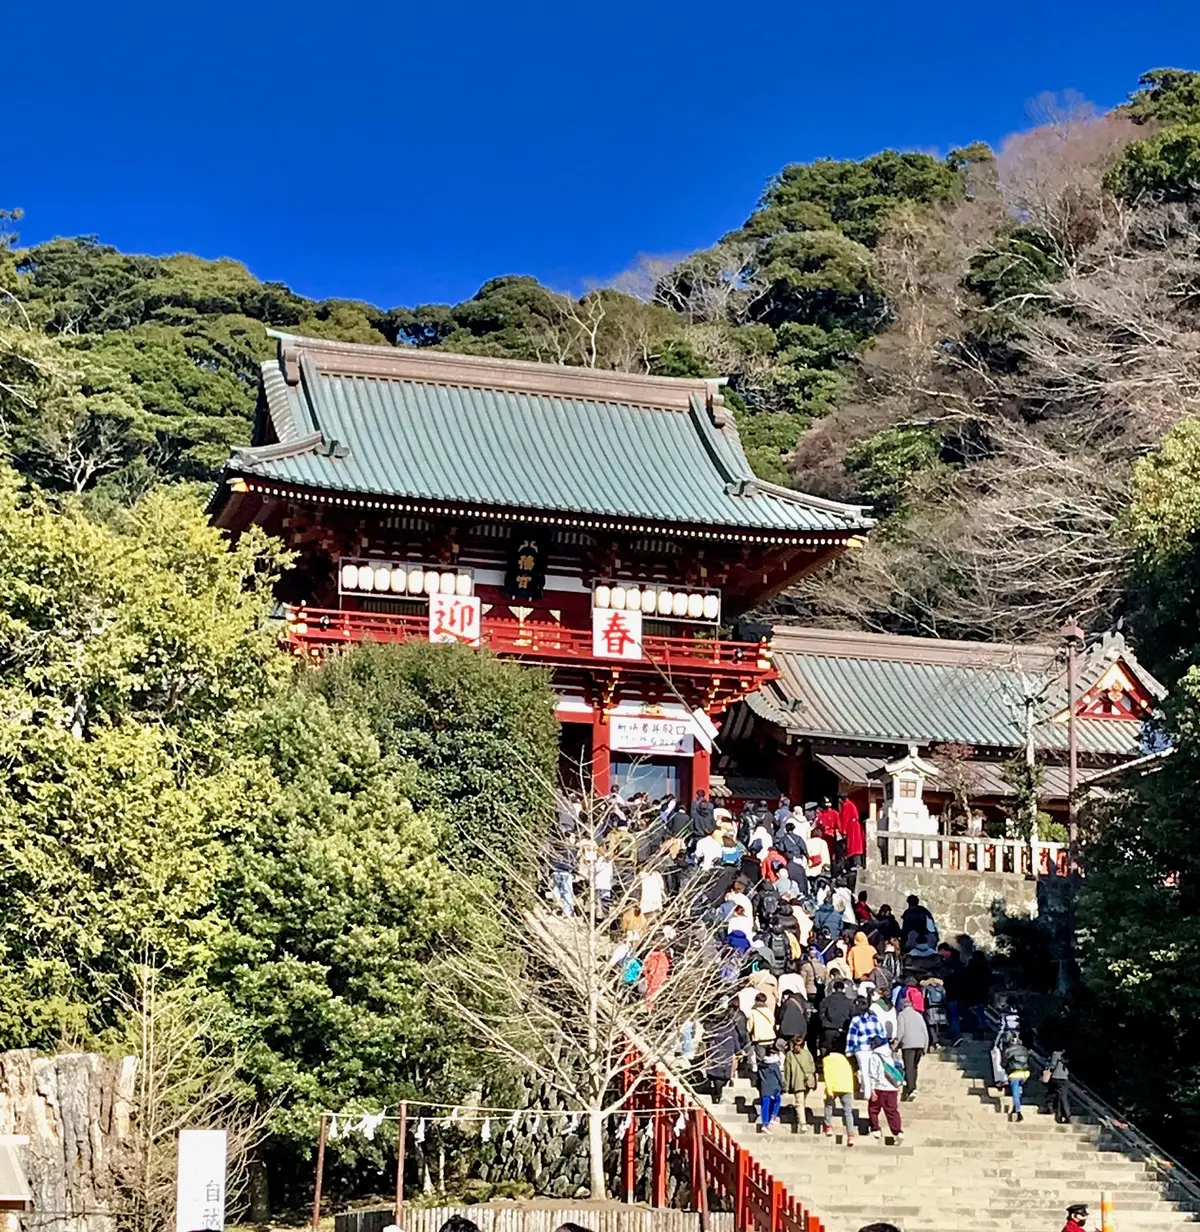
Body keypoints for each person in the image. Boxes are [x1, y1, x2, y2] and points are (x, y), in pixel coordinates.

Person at [846, 998, 889, 1099]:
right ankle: (874, 1091)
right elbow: (881, 1033)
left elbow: (852, 1036)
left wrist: (849, 1050)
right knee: (873, 1070)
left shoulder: (856, 1020)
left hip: (861, 1048)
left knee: (864, 1070)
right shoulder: (874, 1018)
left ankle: (867, 1093)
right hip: (874, 1048)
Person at [864, 1043, 903, 1143]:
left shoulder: (874, 1056)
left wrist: (872, 1089)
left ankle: (875, 1129)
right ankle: (898, 1132)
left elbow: (873, 1074)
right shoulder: (892, 1054)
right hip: (893, 1087)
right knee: (892, 1110)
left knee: (873, 1108)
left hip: (879, 1087)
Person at [895, 994, 929, 1101]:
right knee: (914, 1067)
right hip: (920, 1044)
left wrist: (895, 1045)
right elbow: (925, 1031)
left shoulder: (902, 1015)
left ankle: (910, 1088)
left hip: (908, 1044)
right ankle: (913, 1086)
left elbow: (901, 1031)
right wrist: (925, 1047)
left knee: (908, 1067)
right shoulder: (918, 1015)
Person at [821, 1049, 856, 1145]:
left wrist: (829, 1089)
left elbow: (827, 1074)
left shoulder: (827, 1060)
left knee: (829, 1105)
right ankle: (851, 1135)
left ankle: (828, 1127)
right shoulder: (845, 1060)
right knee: (848, 1112)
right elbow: (849, 1074)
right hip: (847, 1087)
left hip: (834, 1086)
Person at [756, 1037, 786, 1133]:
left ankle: (765, 1123)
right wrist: (783, 1086)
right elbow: (779, 1077)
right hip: (774, 1088)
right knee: (777, 1101)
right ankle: (773, 1116)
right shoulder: (774, 1065)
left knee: (765, 1105)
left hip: (764, 1088)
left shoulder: (761, 1065)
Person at [784, 1034, 818, 1119]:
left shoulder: (789, 1054)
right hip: (808, 1081)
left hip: (797, 1081)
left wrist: (786, 1086)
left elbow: (787, 1071)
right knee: (802, 1101)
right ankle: (801, 1118)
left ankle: (802, 1123)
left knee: (799, 1102)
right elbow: (812, 1067)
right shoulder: (807, 1054)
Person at [1001, 1031, 1031, 1122]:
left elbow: (1003, 1063)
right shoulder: (1024, 1049)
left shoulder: (1008, 1051)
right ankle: (1015, 1107)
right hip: (1025, 1074)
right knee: (1019, 1091)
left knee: (1015, 1093)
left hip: (1014, 1074)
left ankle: (1018, 1112)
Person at [819, 980, 854, 1055]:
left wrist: (825, 1022)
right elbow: (852, 1016)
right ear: (844, 989)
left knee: (825, 1047)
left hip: (828, 1028)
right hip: (842, 1029)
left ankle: (823, 1062)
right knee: (841, 1050)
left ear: (834, 988)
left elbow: (821, 1013)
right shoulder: (849, 1002)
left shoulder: (826, 1000)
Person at [1044, 1048, 1071, 1124]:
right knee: (1061, 1096)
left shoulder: (1055, 1053)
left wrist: (1048, 1070)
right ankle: (1060, 1115)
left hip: (1056, 1076)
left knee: (1058, 1096)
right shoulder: (1069, 1054)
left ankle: (1065, 1115)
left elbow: (1053, 1066)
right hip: (1065, 1077)